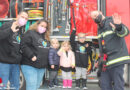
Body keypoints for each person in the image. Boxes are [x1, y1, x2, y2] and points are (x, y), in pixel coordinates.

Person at [90, 10, 130, 90]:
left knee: (118, 86)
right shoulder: (100, 29)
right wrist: (99, 60)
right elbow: (103, 47)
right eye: (93, 17)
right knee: (104, 86)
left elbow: (125, 32)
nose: (94, 18)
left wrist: (119, 27)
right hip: (105, 63)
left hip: (116, 60)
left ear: (100, 13)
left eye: (95, 15)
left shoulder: (112, 21)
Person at [0, 11, 28, 90]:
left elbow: (19, 45)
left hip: (15, 64)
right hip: (4, 63)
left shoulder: (21, 30)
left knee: (15, 86)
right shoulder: (8, 25)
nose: (24, 19)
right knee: (2, 86)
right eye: (22, 17)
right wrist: (10, 30)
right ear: (18, 16)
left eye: (26, 18)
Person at [20, 19, 50, 90]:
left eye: (45, 27)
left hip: (41, 66)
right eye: (42, 26)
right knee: (32, 86)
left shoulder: (46, 37)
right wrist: (31, 55)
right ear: (37, 25)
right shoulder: (30, 33)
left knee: (36, 86)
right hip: (29, 64)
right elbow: (23, 45)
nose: (43, 28)